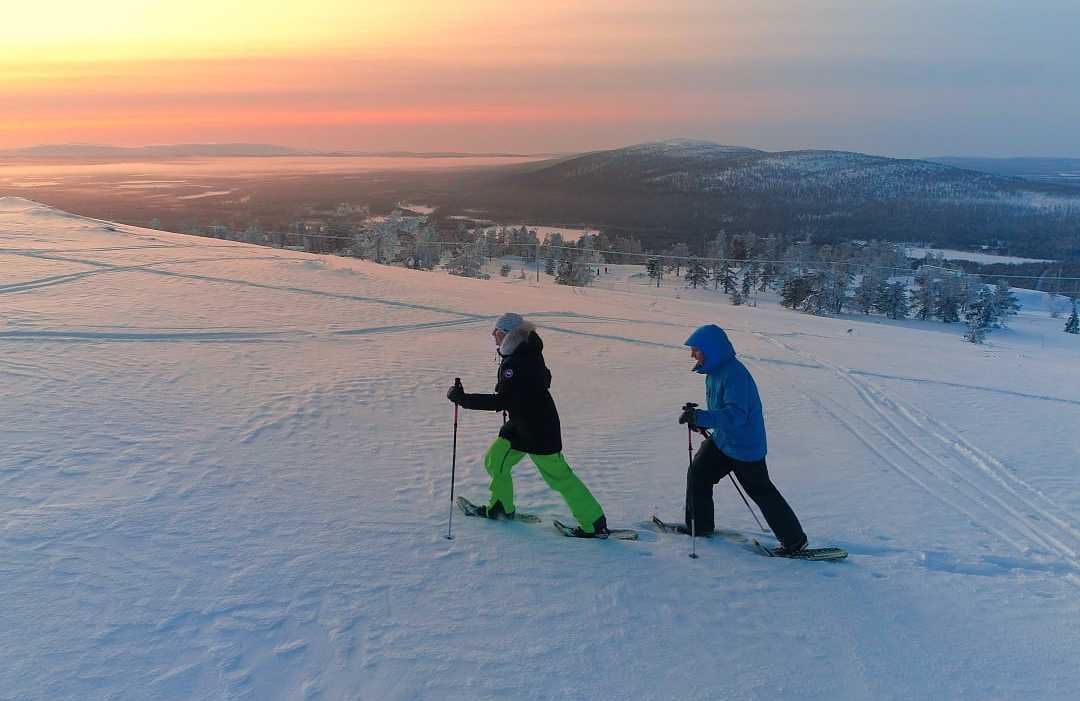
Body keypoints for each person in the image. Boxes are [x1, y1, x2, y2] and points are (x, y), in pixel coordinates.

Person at [447, 313, 609, 536]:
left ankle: (594, 524)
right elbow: (542, 379)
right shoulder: (525, 350)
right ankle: (500, 508)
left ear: (508, 333)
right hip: (522, 426)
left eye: (497, 330)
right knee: (495, 460)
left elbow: (504, 400)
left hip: (538, 430)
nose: (493, 334)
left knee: (560, 478)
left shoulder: (518, 360)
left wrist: (463, 399)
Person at [678, 324, 808, 554]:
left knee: (761, 491)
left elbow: (736, 415)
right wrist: (701, 421)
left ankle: (795, 541)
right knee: (698, 474)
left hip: (745, 446)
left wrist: (703, 417)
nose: (692, 354)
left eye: (696, 349)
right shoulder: (715, 371)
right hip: (723, 440)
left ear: (711, 350)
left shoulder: (735, 375)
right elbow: (722, 410)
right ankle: (700, 526)